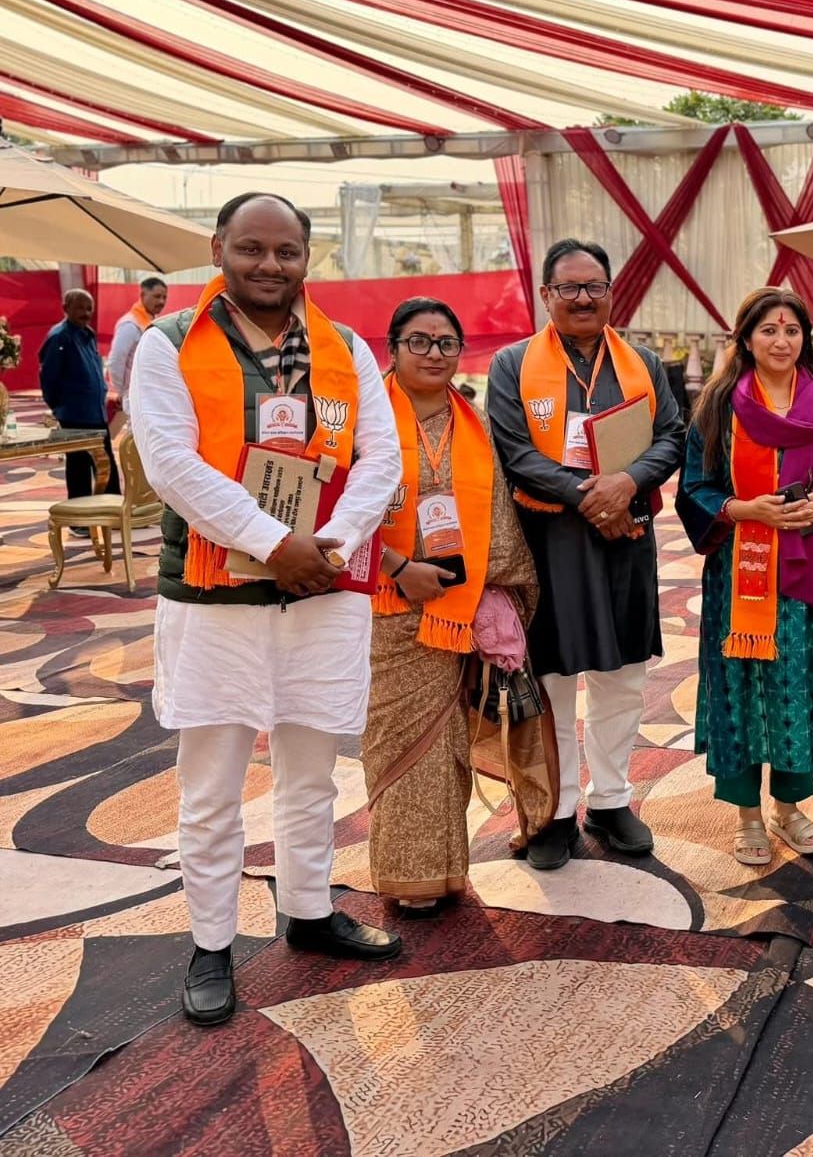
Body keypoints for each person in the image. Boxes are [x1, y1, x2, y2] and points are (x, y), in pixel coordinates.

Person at [128, 192, 404, 1027]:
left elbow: (381, 457)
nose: (269, 265)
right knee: (212, 783)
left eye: (287, 251)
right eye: (251, 248)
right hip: (213, 599)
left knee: (312, 769)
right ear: (219, 248)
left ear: (307, 258)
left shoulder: (344, 347)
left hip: (321, 591)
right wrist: (271, 541)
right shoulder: (169, 344)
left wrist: (331, 545)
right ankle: (212, 941)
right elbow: (170, 463)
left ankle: (310, 911)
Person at [487, 239, 686, 871]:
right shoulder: (512, 364)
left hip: (626, 538)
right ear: (546, 295)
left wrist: (627, 483)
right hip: (551, 542)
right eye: (569, 287)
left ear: (610, 293)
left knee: (622, 677)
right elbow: (515, 452)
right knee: (553, 678)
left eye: (594, 286)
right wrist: (593, 497)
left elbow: (672, 436)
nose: (582, 298)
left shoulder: (642, 363)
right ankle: (555, 809)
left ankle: (610, 800)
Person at [678, 288, 813, 865]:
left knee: (797, 684)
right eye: (768, 330)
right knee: (738, 688)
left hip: (808, 576)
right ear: (746, 339)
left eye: (791, 330)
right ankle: (748, 816)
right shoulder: (719, 406)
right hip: (740, 572)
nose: (781, 341)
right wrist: (744, 509)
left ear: (807, 339)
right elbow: (694, 486)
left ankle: (788, 807)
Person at [362, 298, 537, 914]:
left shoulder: (475, 425)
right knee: (395, 742)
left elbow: (499, 520)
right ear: (392, 349)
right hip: (379, 606)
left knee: (446, 744)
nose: (434, 353)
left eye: (446, 343)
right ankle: (402, 874)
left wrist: (494, 591)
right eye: (419, 341)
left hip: (454, 608)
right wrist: (397, 568)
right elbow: (336, 513)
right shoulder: (366, 419)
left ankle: (443, 871)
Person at [40, 288, 120, 511]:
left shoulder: (87, 334)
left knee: (106, 464)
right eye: (80, 308)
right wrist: (60, 408)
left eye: (89, 308)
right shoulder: (59, 337)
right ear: (66, 308)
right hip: (74, 416)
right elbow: (49, 378)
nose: (86, 313)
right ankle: (79, 517)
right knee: (79, 468)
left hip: (96, 414)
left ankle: (112, 511)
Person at [107, 276, 169, 407]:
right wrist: (123, 391)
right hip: (134, 395)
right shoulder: (130, 324)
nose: (161, 301)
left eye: (164, 297)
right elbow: (116, 361)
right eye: (157, 296)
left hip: (149, 393)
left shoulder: (153, 322)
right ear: (142, 295)